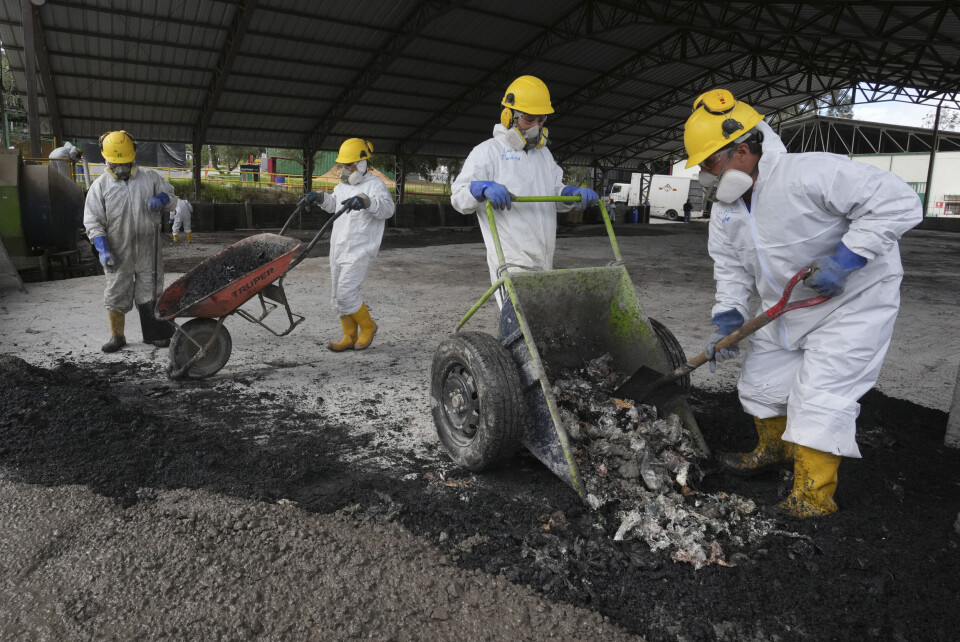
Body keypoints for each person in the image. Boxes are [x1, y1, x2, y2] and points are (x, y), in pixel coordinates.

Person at [684, 89, 922, 518]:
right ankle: (773, 449)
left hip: (852, 303)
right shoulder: (726, 209)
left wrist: (847, 259)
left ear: (741, 151)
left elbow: (898, 201)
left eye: (708, 163)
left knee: (820, 395)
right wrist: (729, 315)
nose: (705, 175)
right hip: (787, 305)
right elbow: (730, 267)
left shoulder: (809, 173)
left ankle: (813, 496)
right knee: (761, 383)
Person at [450, 75, 598, 306]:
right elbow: (459, 198)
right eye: (530, 120)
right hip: (510, 255)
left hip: (545, 252)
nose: (537, 127)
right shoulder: (487, 152)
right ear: (508, 116)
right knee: (521, 318)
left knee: (540, 318)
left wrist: (570, 193)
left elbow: (555, 194)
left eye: (541, 120)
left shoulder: (543, 155)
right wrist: (480, 188)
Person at [83, 130, 178, 353]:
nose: (122, 168)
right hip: (118, 252)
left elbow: (173, 199)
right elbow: (92, 221)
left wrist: (163, 198)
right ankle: (117, 336)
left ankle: (153, 335)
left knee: (150, 292)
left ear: (133, 157)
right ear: (106, 159)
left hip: (148, 250)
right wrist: (103, 249)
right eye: (116, 164)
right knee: (116, 292)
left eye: (125, 162)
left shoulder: (150, 179)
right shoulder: (100, 187)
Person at [306, 138, 394, 352]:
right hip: (338, 247)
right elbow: (334, 205)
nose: (346, 169)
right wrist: (319, 197)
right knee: (337, 294)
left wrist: (367, 202)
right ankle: (349, 335)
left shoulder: (374, 185)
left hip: (360, 248)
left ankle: (368, 326)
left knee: (346, 291)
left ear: (363, 163)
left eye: (350, 164)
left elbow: (388, 209)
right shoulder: (344, 185)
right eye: (344, 165)